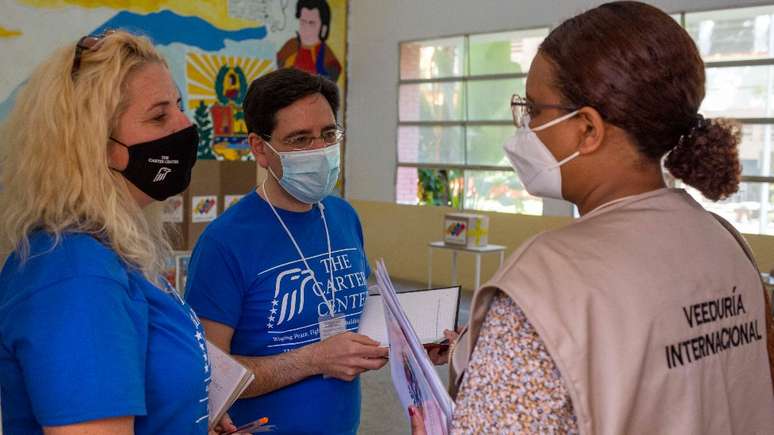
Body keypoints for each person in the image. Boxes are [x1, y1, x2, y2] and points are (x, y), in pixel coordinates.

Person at [413, 2, 774, 434]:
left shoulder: (548, 278)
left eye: (533, 110)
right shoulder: (725, 240)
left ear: (587, 128)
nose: (524, 128)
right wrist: (485, 346)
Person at [0, 31, 241, 435]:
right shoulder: (77, 278)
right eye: (159, 115)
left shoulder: (110, 250)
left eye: (179, 107)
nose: (184, 126)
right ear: (94, 144)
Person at [185, 68, 388, 434]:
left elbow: (354, 315)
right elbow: (207, 374)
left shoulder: (343, 216)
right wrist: (313, 360)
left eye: (328, 135)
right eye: (300, 140)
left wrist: (414, 343)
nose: (320, 151)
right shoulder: (225, 243)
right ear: (260, 149)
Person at [276, 0, 342, 82]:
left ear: (323, 28)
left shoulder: (327, 57)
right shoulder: (290, 47)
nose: (306, 29)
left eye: (311, 23)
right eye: (303, 22)